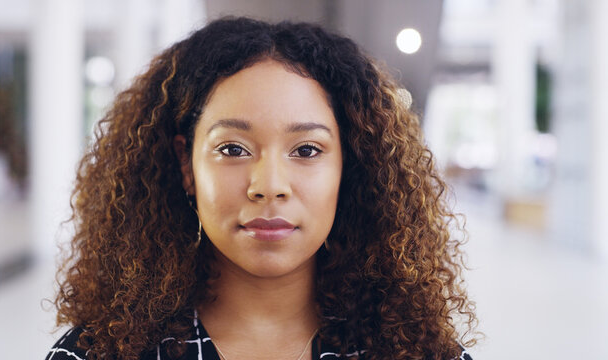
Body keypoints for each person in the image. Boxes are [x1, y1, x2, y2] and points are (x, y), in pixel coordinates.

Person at [45, 17, 477, 360]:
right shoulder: (95, 355)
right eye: (232, 148)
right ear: (185, 164)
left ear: (351, 166)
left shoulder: (418, 354)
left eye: (307, 150)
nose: (269, 187)